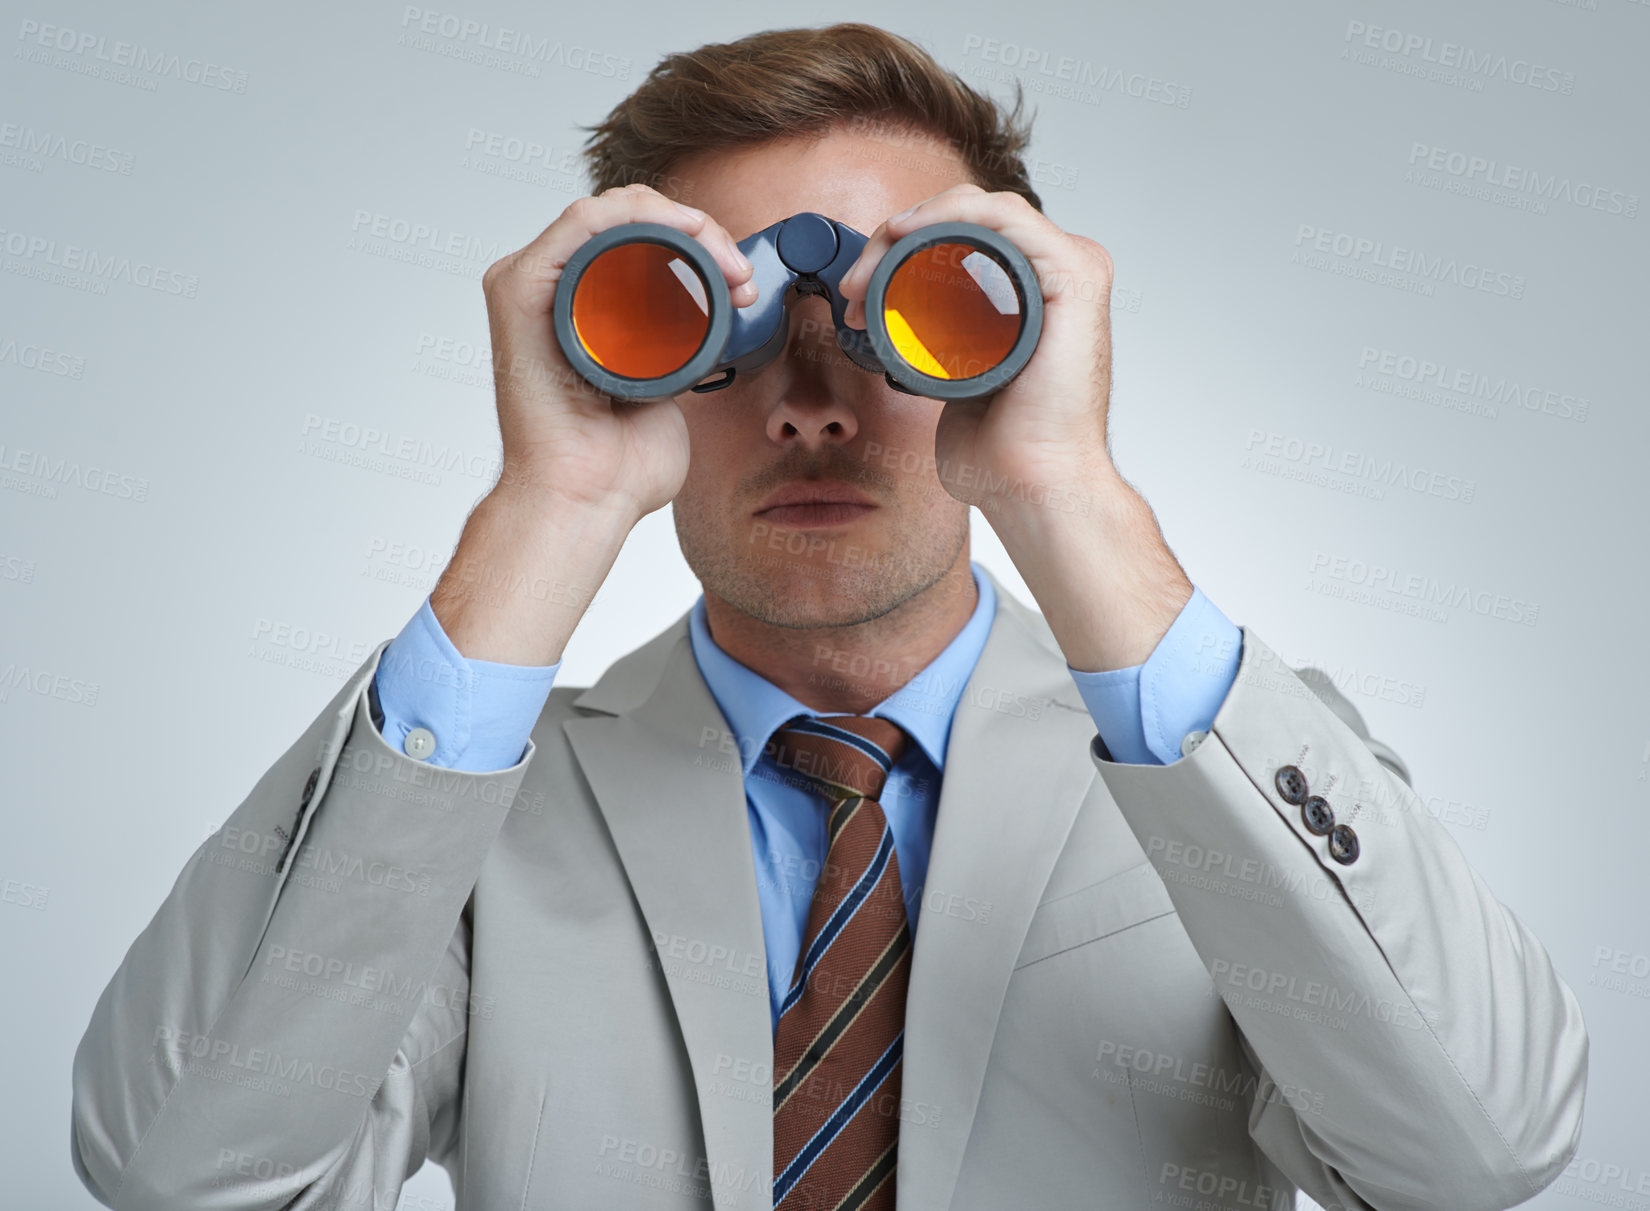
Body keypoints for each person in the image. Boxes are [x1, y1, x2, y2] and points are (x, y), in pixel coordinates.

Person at [70, 22, 1586, 1211]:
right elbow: (184, 1176)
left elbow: (1472, 1159)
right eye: (713, 334)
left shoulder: (1216, 767)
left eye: (900, 320)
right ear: (631, 353)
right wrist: (546, 507)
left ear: (1014, 341)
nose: (810, 409)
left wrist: (1071, 495)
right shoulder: (486, 813)